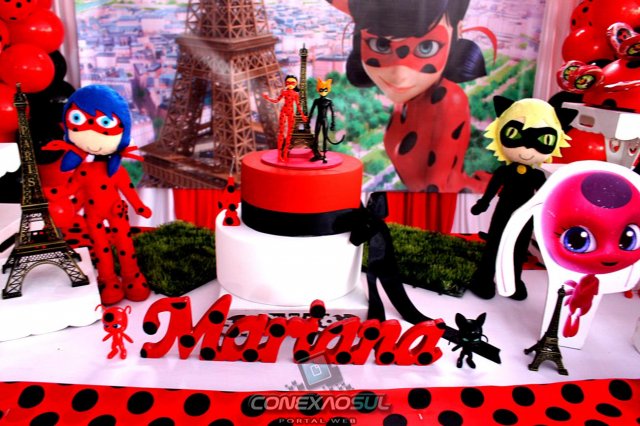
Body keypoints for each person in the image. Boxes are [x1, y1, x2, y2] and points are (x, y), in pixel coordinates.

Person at [327, 0, 491, 192]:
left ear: (457, 34)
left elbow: (438, 189)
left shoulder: (449, 101)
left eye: (427, 47)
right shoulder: (408, 99)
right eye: (380, 44)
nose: (400, 75)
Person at [468, 96, 575, 300]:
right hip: (503, 211)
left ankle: (513, 281)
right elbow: (493, 188)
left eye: (542, 140)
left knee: (519, 248)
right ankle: (484, 278)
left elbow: (546, 197)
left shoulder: (537, 176)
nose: (527, 149)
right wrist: (483, 203)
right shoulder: (504, 171)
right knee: (495, 243)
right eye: (515, 134)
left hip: (526, 217)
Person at [263, 75, 307, 161]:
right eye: (288, 83)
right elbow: (276, 100)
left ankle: (285, 154)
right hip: (284, 112)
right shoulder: (283, 92)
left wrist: (302, 115)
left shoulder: (295, 94)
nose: (290, 84)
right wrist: (267, 98)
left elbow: (298, 106)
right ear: (285, 83)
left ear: (296, 84)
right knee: (281, 133)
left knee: (289, 135)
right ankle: (280, 155)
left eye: (292, 83)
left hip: (290, 113)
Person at [308, 78, 343, 162]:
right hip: (319, 119)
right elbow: (311, 111)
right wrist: (308, 120)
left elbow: (333, 113)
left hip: (324, 119)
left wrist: (333, 123)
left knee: (324, 137)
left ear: (328, 90)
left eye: (325, 90)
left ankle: (324, 156)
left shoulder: (329, 101)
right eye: (321, 89)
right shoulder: (316, 101)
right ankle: (317, 154)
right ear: (318, 89)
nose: (323, 91)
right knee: (316, 136)